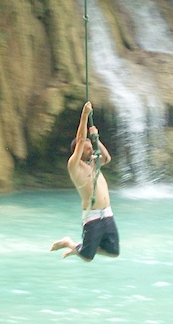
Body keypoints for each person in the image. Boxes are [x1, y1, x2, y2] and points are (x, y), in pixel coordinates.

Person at [50, 101, 119, 262]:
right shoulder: (74, 166)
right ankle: (69, 243)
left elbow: (107, 158)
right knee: (87, 257)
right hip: (93, 216)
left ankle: (80, 248)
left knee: (114, 251)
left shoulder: (94, 164)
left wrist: (96, 139)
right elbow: (81, 140)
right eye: (88, 148)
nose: (91, 149)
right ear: (78, 151)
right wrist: (85, 115)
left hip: (107, 214)